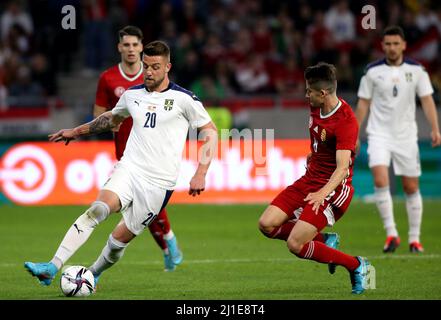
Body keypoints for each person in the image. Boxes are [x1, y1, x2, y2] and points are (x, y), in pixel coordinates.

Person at [24, 40, 218, 289]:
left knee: (118, 241)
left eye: (155, 67)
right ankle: (52, 266)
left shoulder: (184, 99)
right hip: (129, 168)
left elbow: (210, 132)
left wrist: (201, 172)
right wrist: (76, 131)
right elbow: (110, 119)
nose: (149, 71)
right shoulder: (132, 95)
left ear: (168, 66)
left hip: (159, 183)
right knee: (97, 210)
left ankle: (92, 273)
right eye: (146, 65)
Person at [258, 62, 375, 294]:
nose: (306, 95)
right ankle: (324, 239)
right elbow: (330, 139)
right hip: (309, 180)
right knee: (266, 225)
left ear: (323, 93)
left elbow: (342, 169)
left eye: (309, 91)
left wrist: (322, 193)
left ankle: (357, 265)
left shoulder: (345, 120)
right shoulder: (316, 107)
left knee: (295, 244)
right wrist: (316, 153)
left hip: (333, 189)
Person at [94, 25, 183, 272]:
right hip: (126, 154)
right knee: (139, 208)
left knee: (147, 207)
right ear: (119, 47)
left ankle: (169, 245)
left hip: (154, 157)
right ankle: (169, 246)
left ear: (142, 47)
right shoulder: (108, 78)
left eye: (135, 45)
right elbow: (99, 115)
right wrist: (114, 122)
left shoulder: (153, 78)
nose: (131, 49)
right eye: (126, 45)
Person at [355, 26, 441, 253]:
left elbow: (427, 100)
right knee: (381, 181)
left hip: (406, 136)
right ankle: (391, 234)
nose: (392, 48)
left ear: (403, 45)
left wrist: (435, 128)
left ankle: (415, 239)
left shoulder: (417, 70)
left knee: (411, 186)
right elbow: (363, 103)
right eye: (388, 44)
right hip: (378, 134)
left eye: (396, 43)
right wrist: (354, 133)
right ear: (382, 46)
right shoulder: (372, 72)